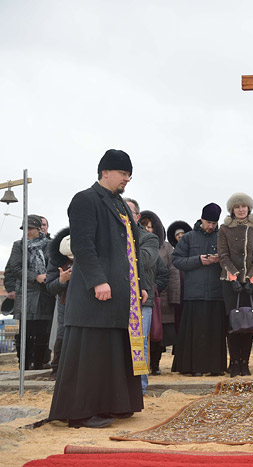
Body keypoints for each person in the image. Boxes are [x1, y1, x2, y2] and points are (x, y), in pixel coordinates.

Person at [49, 149, 146, 428]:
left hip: (120, 292)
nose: (127, 179)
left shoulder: (121, 205)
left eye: (129, 174)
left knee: (112, 351)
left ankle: (112, 405)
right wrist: (97, 280)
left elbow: (131, 250)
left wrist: (138, 284)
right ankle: (81, 413)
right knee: (91, 353)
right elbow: (82, 244)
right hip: (95, 293)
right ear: (105, 172)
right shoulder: (85, 199)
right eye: (123, 173)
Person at [172, 203, 227, 377]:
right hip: (194, 294)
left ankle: (215, 368)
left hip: (217, 293)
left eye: (214, 223)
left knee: (215, 334)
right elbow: (177, 260)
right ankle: (192, 367)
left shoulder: (222, 237)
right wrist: (198, 260)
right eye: (208, 222)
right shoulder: (188, 237)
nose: (211, 226)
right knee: (194, 335)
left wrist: (221, 260)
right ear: (201, 219)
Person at [218, 192, 253, 377]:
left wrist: (251, 278)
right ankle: (234, 362)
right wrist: (234, 277)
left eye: (243, 206)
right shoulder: (224, 229)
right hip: (230, 283)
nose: (241, 210)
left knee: (249, 323)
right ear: (232, 210)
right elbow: (223, 255)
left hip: (252, 282)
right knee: (233, 323)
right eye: (237, 207)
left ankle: (245, 362)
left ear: (249, 208)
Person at [8, 214, 55, 370]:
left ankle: (40, 363)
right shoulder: (18, 245)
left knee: (43, 330)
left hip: (46, 293)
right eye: (25, 229)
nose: (27, 232)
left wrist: (49, 276)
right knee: (25, 332)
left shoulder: (50, 244)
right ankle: (24, 365)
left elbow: (54, 264)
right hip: (26, 293)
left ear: (38, 229)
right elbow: (15, 268)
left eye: (30, 229)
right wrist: (36, 276)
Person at [124, 198, 160, 394]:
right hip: (117, 297)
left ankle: (139, 387)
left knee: (139, 343)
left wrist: (126, 241)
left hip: (141, 298)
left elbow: (144, 261)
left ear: (137, 216)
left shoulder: (148, 238)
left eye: (129, 211)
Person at [140, 210, 179, 375]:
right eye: (145, 226)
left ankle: (155, 364)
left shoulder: (166, 247)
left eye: (151, 226)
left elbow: (172, 273)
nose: (148, 229)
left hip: (158, 296)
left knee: (157, 333)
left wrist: (172, 298)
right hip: (139, 295)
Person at [45, 227, 72, 380]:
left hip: (90, 303)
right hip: (65, 302)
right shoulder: (56, 259)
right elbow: (50, 286)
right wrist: (62, 281)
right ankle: (56, 370)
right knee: (62, 334)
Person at [166, 220, 191, 334]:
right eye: (177, 235)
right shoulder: (173, 253)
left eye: (182, 234)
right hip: (178, 291)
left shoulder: (193, 251)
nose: (180, 236)